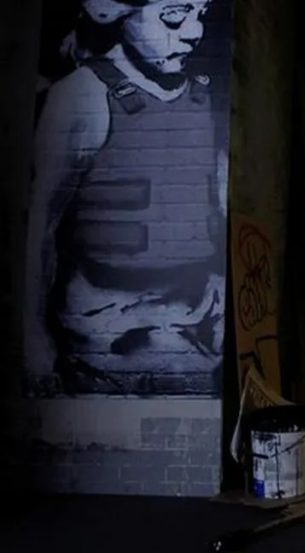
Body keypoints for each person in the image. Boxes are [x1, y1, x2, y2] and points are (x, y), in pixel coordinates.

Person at [25, 0, 225, 394]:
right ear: (115, 12)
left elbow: (216, 205)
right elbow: (39, 228)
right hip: (110, 321)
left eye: (200, 14)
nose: (194, 32)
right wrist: (33, 336)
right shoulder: (82, 98)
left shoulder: (203, 99)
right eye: (174, 15)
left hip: (196, 308)